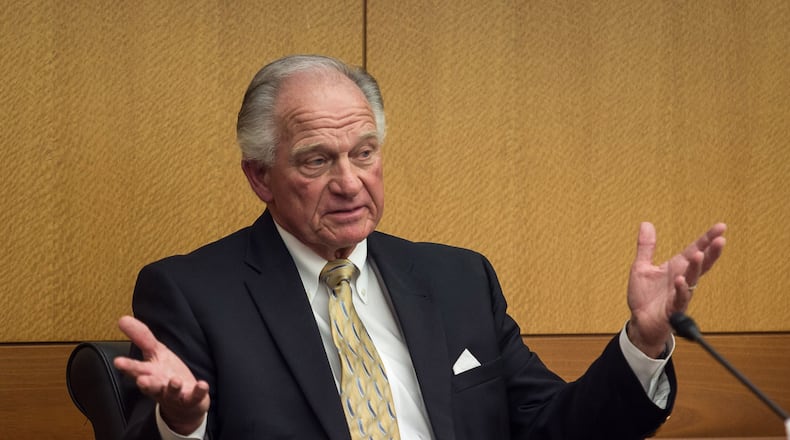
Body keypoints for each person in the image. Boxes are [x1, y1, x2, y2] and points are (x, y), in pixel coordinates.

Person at [114, 54, 727, 440]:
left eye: (364, 153)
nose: (349, 181)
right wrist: (183, 425)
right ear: (260, 177)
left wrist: (644, 342)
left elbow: (553, 425)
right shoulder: (194, 292)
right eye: (316, 160)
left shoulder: (459, 279)